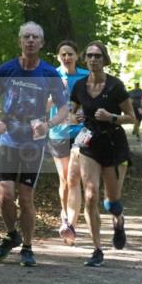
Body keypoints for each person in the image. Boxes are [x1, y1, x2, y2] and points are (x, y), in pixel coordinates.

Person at [0, 22, 68, 267]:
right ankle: (12, 235)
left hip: (34, 140)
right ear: (20, 42)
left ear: (42, 43)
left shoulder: (49, 73)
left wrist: (49, 124)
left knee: (26, 197)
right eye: (26, 37)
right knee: (5, 196)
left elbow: (64, 107)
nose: (30, 40)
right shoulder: (7, 69)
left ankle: (28, 247)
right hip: (10, 136)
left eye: (35, 37)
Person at [69, 41, 138, 267]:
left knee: (112, 201)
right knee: (90, 196)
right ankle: (97, 249)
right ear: (85, 59)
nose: (93, 59)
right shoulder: (79, 86)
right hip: (90, 143)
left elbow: (132, 117)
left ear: (105, 59)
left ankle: (118, 221)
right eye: (89, 55)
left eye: (98, 56)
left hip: (113, 144)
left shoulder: (115, 86)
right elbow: (72, 110)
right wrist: (74, 117)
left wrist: (111, 117)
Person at [48, 40, 89, 246]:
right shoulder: (52, 76)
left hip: (82, 133)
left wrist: (85, 112)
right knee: (64, 180)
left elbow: (93, 101)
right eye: (63, 54)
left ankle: (71, 226)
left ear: (77, 55)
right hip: (58, 132)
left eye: (70, 54)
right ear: (58, 56)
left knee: (74, 179)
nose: (67, 58)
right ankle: (64, 215)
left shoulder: (85, 76)